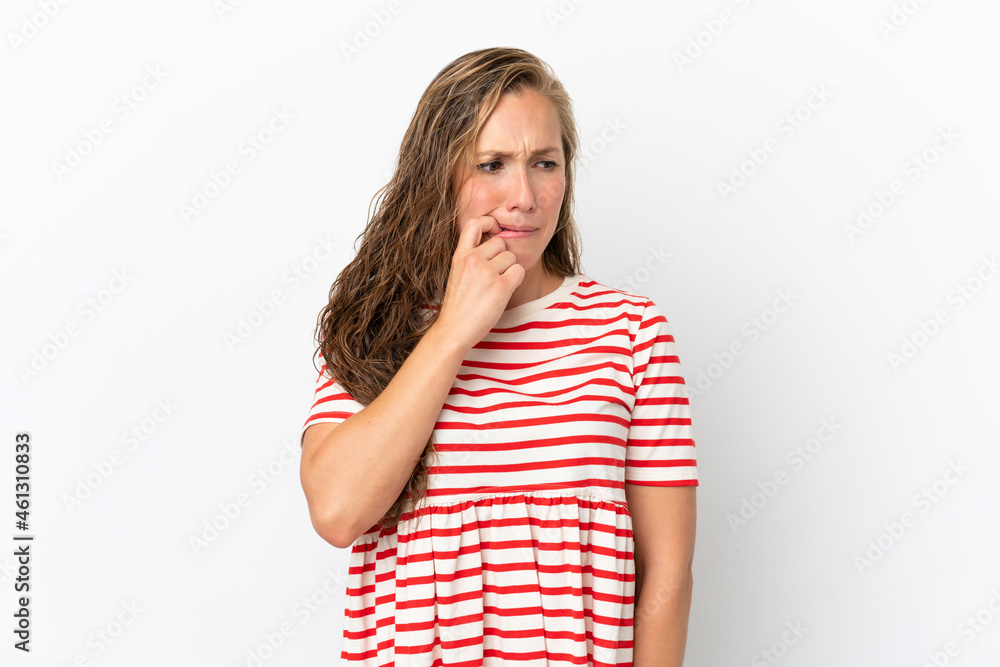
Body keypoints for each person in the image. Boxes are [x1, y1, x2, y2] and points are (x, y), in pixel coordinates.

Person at [299, 47, 698, 666]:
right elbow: (337, 511)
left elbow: (666, 577)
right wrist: (454, 329)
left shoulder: (630, 331)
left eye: (545, 163)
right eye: (492, 164)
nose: (525, 196)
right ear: (438, 176)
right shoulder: (376, 327)